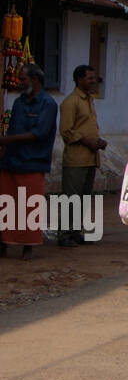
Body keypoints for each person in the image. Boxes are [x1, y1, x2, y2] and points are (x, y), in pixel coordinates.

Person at [0, 64, 58, 259]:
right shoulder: (19, 102)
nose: (20, 82)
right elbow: (13, 129)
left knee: (29, 206)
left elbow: (39, 133)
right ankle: (4, 242)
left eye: (23, 79)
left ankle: (27, 246)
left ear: (35, 80)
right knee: (6, 204)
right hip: (12, 161)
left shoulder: (48, 104)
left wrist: (8, 140)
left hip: (33, 161)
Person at [57, 65, 106, 246]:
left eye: (94, 78)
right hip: (76, 158)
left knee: (84, 197)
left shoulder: (88, 100)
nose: (93, 82)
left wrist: (98, 142)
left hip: (89, 158)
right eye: (90, 78)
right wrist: (89, 142)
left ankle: (75, 232)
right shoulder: (71, 102)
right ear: (79, 80)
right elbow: (66, 131)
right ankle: (64, 234)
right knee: (71, 198)